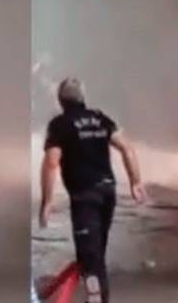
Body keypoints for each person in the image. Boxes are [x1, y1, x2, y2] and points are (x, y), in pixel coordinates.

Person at [39, 78, 145, 303]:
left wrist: (47, 201)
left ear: (60, 100)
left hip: (85, 196)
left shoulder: (60, 124)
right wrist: (136, 182)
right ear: (82, 97)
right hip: (108, 192)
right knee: (95, 256)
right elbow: (126, 147)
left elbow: (51, 162)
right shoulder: (99, 118)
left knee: (90, 259)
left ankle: (96, 300)